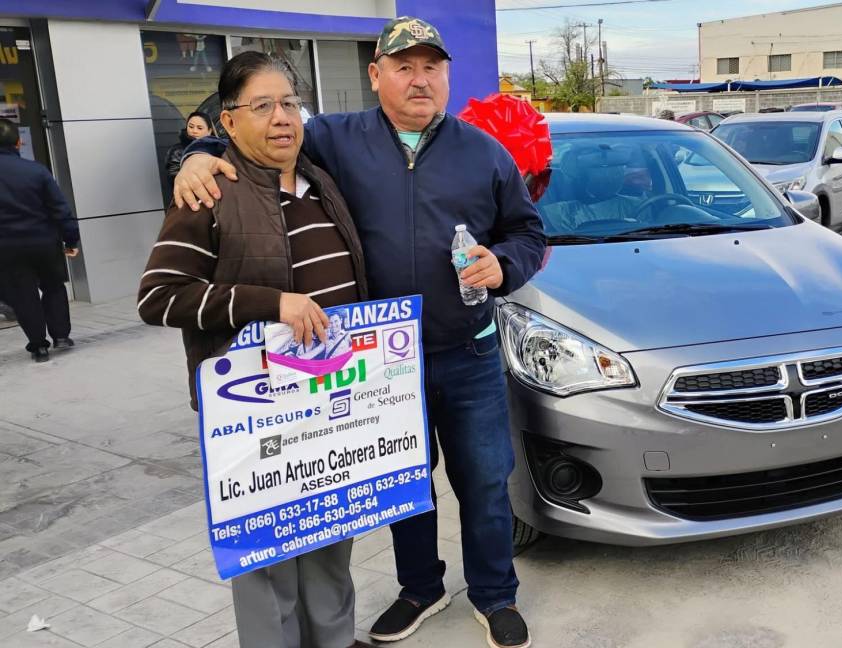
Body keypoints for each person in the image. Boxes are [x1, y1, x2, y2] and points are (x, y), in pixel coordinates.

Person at [173, 17, 546, 648]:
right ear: (376, 76)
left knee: (485, 478)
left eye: (432, 67)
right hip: (380, 360)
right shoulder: (336, 140)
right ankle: (420, 588)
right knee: (404, 482)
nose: (420, 79)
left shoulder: (483, 152)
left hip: (468, 351)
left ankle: (494, 592)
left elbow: (528, 233)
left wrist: (503, 263)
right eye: (404, 67)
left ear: (447, 75)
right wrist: (197, 158)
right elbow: (265, 136)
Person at [138, 51, 374, 648]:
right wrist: (271, 303)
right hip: (255, 419)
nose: (281, 118)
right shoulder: (212, 193)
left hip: (332, 408)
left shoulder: (322, 184)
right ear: (229, 121)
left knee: (329, 551)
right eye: (261, 105)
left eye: (290, 103)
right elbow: (158, 297)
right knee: (268, 566)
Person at [0, 118, 79, 363]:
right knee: (54, 286)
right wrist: (71, 239)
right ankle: (61, 336)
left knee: (24, 295)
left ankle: (38, 345)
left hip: (8, 247)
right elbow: (60, 209)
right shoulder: (36, 170)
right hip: (44, 242)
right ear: (18, 141)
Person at [165, 111, 214, 189]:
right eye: (191, 127)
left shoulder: (217, 147)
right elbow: (176, 180)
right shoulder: (177, 151)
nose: (194, 131)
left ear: (209, 131)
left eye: (199, 128)